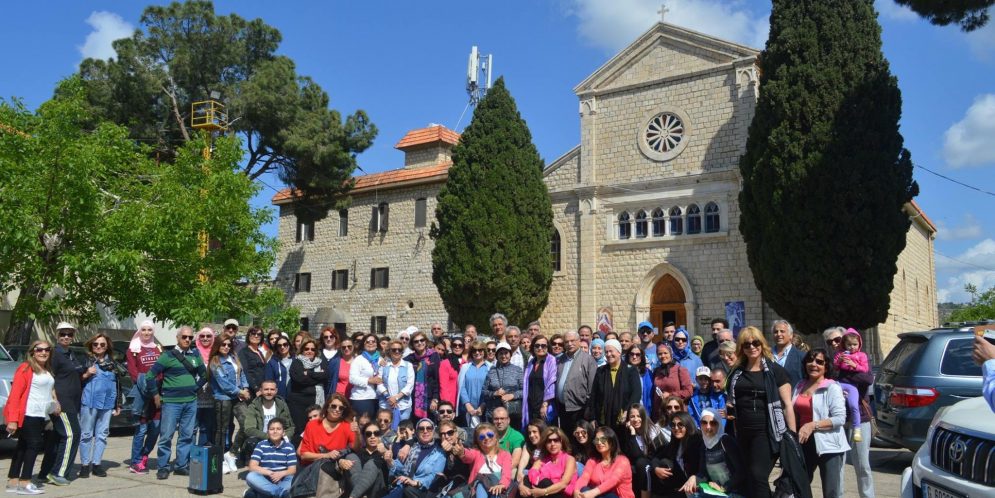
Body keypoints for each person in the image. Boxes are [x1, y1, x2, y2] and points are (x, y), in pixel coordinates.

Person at [726, 326, 796, 498]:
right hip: (742, 432)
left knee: (758, 475)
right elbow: (732, 399)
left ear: (762, 344)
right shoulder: (737, 372)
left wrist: (792, 436)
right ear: (741, 348)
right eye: (746, 344)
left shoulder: (775, 371)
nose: (752, 347)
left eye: (755, 342)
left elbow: (787, 405)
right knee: (749, 476)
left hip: (767, 432)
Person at [147, 326, 209, 480]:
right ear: (177, 338)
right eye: (184, 337)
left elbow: (204, 375)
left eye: (190, 337)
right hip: (171, 403)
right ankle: (163, 467)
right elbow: (150, 376)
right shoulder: (167, 356)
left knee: (186, 435)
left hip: (191, 402)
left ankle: (181, 466)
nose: (187, 340)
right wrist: (155, 395)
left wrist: (195, 388)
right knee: (166, 436)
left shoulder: (195, 355)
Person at [793, 349, 849, 498]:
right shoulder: (799, 385)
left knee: (831, 491)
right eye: (810, 360)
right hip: (803, 441)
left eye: (819, 362)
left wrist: (812, 425)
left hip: (828, 444)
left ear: (826, 366)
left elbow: (839, 418)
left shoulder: (832, 387)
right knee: (799, 485)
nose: (813, 364)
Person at [4, 340, 58, 495]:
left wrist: (55, 402)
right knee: (34, 445)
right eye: (39, 349)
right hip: (29, 413)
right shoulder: (26, 368)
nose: (43, 352)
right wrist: (12, 419)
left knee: (23, 446)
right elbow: (15, 395)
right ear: (32, 352)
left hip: (41, 413)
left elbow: (49, 389)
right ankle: (25, 482)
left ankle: (13, 481)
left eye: (47, 350)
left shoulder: (46, 369)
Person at [38, 322, 83, 487]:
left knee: (57, 438)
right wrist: (55, 401)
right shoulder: (55, 354)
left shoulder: (70, 353)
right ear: (57, 335)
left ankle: (45, 473)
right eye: (63, 334)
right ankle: (59, 473)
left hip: (72, 402)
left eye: (69, 334)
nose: (66, 337)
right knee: (72, 435)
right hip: (62, 402)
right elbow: (50, 379)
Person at [77, 333, 122, 478]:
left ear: (107, 346)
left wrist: (118, 404)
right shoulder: (85, 360)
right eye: (96, 344)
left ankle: (97, 464)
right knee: (86, 434)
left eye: (102, 344)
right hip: (89, 402)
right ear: (91, 345)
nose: (99, 347)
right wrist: (87, 374)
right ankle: (85, 465)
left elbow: (118, 384)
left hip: (107, 403)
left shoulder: (112, 363)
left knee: (102, 435)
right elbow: (75, 380)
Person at [209, 335, 250, 471]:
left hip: (238, 397)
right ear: (218, 345)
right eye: (223, 344)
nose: (226, 347)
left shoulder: (234, 357)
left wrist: (245, 387)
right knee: (222, 430)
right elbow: (224, 384)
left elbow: (241, 373)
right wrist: (240, 391)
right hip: (223, 398)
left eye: (228, 345)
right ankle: (219, 460)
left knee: (247, 424)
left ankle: (231, 453)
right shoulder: (215, 362)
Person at [126, 321, 162, 475]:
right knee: (141, 430)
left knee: (155, 429)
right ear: (139, 331)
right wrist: (147, 387)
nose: (146, 333)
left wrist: (157, 386)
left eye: (149, 330)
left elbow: (162, 369)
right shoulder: (133, 349)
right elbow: (133, 372)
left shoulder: (157, 348)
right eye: (144, 330)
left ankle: (143, 456)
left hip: (157, 395)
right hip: (142, 395)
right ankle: (135, 462)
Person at [689, 410, 747, 498]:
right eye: (704, 423)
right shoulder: (704, 445)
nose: (708, 427)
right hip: (717, 491)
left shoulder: (726, 441)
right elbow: (703, 473)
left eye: (713, 423)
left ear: (719, 424)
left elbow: (741, 471)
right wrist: (694, 478)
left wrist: (724, 488)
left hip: (735, 491)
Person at [587, 340, 642, 431]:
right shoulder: (601, 371)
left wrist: (627, 411)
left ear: (619, 352)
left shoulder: (630, 371)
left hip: (623, 420)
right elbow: (594, 395)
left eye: (611, 351)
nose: (608, 354)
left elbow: (636, 394)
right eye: (606, 352)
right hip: (603, 419)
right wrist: (592, 417)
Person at [385, 418, 446, 498]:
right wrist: (390, 461)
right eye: (421, 429)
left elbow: (434, 476)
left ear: (433, 430)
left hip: (421, 490)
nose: (425, 431)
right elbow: (401, 467)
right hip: (403, 485)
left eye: (429, 428)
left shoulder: (439, 453)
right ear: (417, 432)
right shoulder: (412, 447)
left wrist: (416, 482)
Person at [240, 380, 295, 466]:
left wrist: (284, 437)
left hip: (280, 438)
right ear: (261, 390)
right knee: (251, 442)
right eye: (266, 389)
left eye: (272, 389)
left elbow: (290, 427)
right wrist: (270, 437)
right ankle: (255, 465)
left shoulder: (282, 405)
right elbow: (249, 429)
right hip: (262, 439)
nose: (269, 392)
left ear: (276, 391)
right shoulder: (253, 406)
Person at [649, 411, 702, 498]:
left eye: (680, 424)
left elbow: (703, 468)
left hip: (698, 483)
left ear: (688, 425)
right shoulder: (675, 443)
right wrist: (656, 468)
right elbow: (656, 458)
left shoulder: (698, 441)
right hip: (682, 486)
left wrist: (695, 477)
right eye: (673, 425)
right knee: (664, 462)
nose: (676, 428)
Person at [454, 423, 514, 498]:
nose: (486, 438)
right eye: (482, 437)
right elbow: (468, 456)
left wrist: (502, 484)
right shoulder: (476, 453)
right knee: (481, 483)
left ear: (496, 437)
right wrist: (462, 452)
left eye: (490, 435)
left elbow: (507, 472)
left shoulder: (505, 455)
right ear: (478, 441)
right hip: (477, 490)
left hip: (497, 487)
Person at [335, 422, 392, 498]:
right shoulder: (358, 451)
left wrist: (385, 455)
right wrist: (341, 462)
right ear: (364, 437)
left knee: (373, 463)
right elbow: (336, 457)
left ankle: (355, 495)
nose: (372, 436)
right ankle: (360, 495)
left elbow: (393, 468)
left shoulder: (386, 451)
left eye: (376, 433)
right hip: (356, 490)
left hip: (376, 493)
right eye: (368, 434)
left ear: (380, 436)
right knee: (351, 457)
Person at [555, 331, 598, 434]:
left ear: (579, 341)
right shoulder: (560, 359)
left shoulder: (588, 360)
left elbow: (592, 387)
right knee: (566, 436)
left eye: (572, 341)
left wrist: (588, 409)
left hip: (579, 409)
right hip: (562, 407)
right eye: (566, 342)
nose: (569, 344)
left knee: (578, 436)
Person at [831, 328, 869, 442]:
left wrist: (854, 365)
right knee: (834, 403)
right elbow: (835, 368)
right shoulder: (840, 354)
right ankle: (835, 424)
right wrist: (839, 361)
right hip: (839, 384)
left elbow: (865, 369)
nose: (852, 347)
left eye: (855, 344)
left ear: (859, 344)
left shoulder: (862, 355)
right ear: (844, 344)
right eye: (849, 345)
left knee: (853, 405)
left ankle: (857, 429)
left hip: (851, 385)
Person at [298, 394, 357, 466]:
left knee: (353, 459)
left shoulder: (347, 426)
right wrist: (326, 455)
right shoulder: (312, 425)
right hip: (312, 467)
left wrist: (358, 433)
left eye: (341, 408)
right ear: (327, 407)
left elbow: (355, 448)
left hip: (335, 466)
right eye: (334, 406)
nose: (337, 409)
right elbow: (303, 455)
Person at [574, 426, 633, 498]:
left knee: (610, 496)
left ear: (611, 441)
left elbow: (613, 480)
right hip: (599, 495)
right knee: (584, 489)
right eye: (596, 440)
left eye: (603, 439)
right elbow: (584, 477)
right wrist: (576, 490)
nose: (599, 442)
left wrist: (593, 492)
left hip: (617, 496)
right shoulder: (592, 461)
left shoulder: (622, 461)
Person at [245, 417, 297, 498]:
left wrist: (280, 474)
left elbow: (292, 470)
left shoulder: (289, 447)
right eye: (272, 429)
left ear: (283, 432)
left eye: (278, 429)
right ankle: (279, 493)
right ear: (268, 432)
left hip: (282, 479)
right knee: (250, 476)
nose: (275, 431)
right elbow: (252, 466)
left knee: (292, 480)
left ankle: (261, 493)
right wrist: (270, 473)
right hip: (264, 479)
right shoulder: (261, 445)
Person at [621, 404, 665, 498]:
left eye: (639, 416)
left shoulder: (652, 431)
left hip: (655, 465)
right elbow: (633, 455)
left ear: (644, 416)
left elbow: (642, 457)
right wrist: (632, 433)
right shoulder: (628, 432)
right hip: (639, 467)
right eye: (632, 416)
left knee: (641, 463)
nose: (636, 419)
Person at [521, 427, 577, 498]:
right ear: (545, 444)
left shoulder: (569, 459)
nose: (552, 444)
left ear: (561, 441)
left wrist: (544, 492)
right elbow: (531, 473)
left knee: (545, 482)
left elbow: (563, 484)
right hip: (541, 492)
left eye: (556, 440)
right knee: (527, 479)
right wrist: (521, 486)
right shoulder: (542, 459)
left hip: (561, 494)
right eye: (549, 441)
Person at [483, 342, 524, 424]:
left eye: (506, 353)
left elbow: (525, 391)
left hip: (513, 413)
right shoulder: (491, 371)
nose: (503, 356)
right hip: (494, 414)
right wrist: (494, 393)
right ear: (497, 356)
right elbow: (484, 392)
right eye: (501, 353)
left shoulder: (517, 370)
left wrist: (512, 395)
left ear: (510, 355)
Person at [405, 331, 440, 420]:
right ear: (412, 344)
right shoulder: (408, 359)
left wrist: (435, 399)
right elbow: (396, 361)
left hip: (430, 398)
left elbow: (437, 379)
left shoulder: (434, 356)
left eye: (422, 340)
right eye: (416, 341)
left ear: (426, 341)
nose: (419, 343)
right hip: (414, 399)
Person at [651, 345, 692, 420]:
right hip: (660, 414)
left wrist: (670, 395)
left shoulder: (680, 370)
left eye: (665, 353)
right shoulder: (656, 371)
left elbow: (689, 391)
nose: (663, 356)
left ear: (671, 354)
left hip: (676, 412)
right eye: (660, 354)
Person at [379, 340, 415, 426]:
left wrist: (396, 398)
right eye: (394, 349)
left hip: (403, 406)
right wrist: (388, 397)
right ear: (389, 351)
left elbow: (410, 385)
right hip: (386, 405)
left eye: (399, 349)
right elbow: (379, 383)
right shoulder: (384, 365)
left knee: (402, 429)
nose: (397, 351)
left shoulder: (408, 365)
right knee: (386, 429)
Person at [523, 336, 557, 427]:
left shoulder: (551, 361)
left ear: (548, 347)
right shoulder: (531, 362)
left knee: (545, 431)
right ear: (533, 347)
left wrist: (545, 404)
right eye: (537, 345)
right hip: (531, 405)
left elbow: (551, 383)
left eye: (543, 346)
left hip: (544, 406)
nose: (540, 348)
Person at [350, 334, 384, 422]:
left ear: (377, 344)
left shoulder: (381, 359)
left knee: (375, 425)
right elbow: (352, 378)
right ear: (363, 345)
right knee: (363, 425)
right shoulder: (359, 359)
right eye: (367, 342)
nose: (370, 343)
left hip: (378, 397)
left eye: (373, 341)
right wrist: (369, 380)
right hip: (362, 398)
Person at [459, 341, 490, 428]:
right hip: (467, 410)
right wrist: (467, 404)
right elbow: (461, 387)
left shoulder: (490, 367)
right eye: (474, 350)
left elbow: (490, 388)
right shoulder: (465, 367)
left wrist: (483, 405)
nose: (477, 352)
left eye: (480, 350)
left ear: (484, 351)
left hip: (485, 409)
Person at [194, 327, 216, 446]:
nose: (205, 338)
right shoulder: (193, 352)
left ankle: (201, 453)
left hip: (211, 397)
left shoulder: (216, 353)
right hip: (195, 395)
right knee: (192, 428)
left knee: (206, 427)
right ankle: (190, 454)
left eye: (209, 336)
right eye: (202, 336)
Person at [771, 321, 806, 388]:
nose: (778, 334)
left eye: (782, 331)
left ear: (791, 335)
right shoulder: (765, 356)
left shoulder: (802, 357)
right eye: (775, 332)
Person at [240, 326, 271, 398]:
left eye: (259, 334)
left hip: (263, 388)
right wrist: (256, 388)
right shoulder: (244, 352)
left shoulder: (259, 352)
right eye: (253, 333)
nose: (256, 336)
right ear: (249, 335)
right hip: (253, 391)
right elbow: (245, 372)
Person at [492, 407, 525, 473]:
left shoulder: (516, 436)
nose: (499, 421)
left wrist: (497, 473)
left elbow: (514, 462)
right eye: (496, 419)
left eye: (502, 418)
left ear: (508, 420)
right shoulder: (488, 435)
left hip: (506, 470)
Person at [518, 420, 549, 485]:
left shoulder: (548, 444)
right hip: (532, 473)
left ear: (542, 432)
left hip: (546, 474)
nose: (531, 435)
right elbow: (524, 459)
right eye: (529, 433)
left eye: (534, 432)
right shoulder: (528, 444)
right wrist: (519, 472)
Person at [627, 345, 654, 412]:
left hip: (644, 410)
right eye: (632, 354)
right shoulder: (622, 372)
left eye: (638, 354)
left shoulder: (648, 373)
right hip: (627, 410)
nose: (634, 357)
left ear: (642, 356)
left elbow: (650, 395)